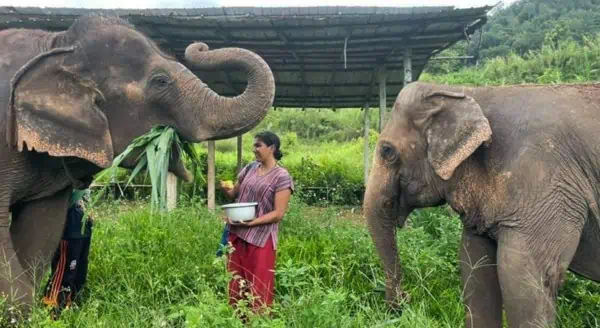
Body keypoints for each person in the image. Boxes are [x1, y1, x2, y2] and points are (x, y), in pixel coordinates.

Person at [219, 131, 294, 315]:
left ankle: (259, 322)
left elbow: (278, 213)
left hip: (261, 239)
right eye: (254, 145)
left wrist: (252, 223)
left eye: (258, 145)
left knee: (258, 286)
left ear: (272, 148)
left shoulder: (281, 176)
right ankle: (238, 322)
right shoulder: (250, 168)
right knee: (236, 284)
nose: (254, 149)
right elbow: (235, 194)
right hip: (237, 234)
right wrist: (225, 189)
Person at [42, 188, 94, 317]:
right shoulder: (67, 177)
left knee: (80, 272)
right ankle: (53, 305)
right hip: (69, 232)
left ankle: (72, 303)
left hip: (84, 232)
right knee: (65, 271)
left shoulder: (86, 181)